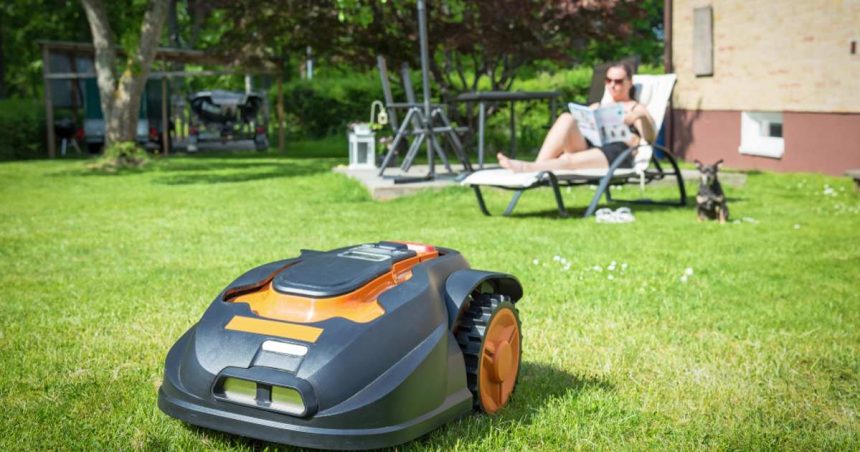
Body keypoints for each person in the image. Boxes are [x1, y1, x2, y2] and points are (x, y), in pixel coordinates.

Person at [498, 63, 656, 173]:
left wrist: (639, 116)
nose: (612, 85)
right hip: (590, 145)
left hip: (616, 152)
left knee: (568, 160)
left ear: (629, 82)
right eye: (608, 80)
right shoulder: (598, 107)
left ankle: (528, 169)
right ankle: (537, 166)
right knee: (567, 118)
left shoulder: (636, 108)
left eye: (618, 81)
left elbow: (649, 138)